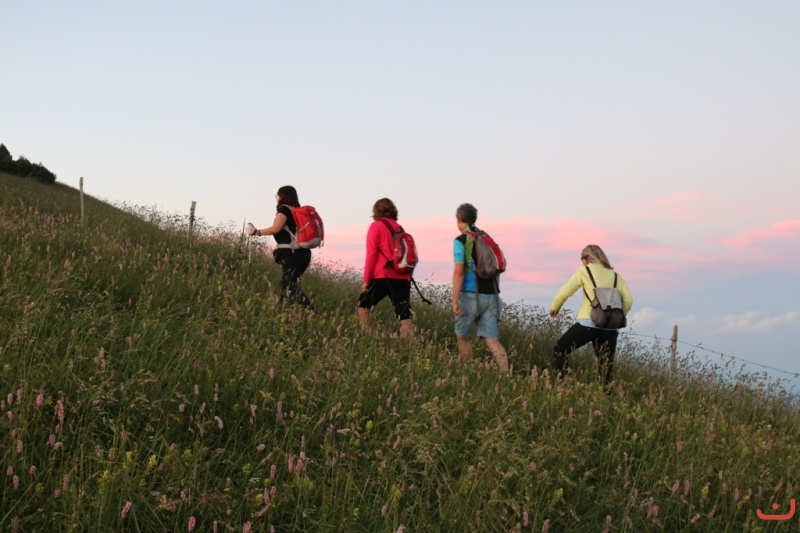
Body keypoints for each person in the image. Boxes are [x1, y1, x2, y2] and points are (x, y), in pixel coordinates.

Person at [548, 244, 633, 386]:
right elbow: (628, 300)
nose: (582, 261)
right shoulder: (616, 276)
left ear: (588, 257)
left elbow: (565, 291)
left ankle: (561, 386)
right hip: (610, 328)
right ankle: (607, 396)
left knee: (560, 349)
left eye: (583, 258)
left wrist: (555, 308)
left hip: (588, 323)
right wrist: (615, 315)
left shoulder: (584, 271)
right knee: (605, 368)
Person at [451, 203, 509, 374]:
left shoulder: (461, 240)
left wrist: (454, 300)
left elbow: (459, 272)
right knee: (492, 340)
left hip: (470, 295)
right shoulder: (487, 239)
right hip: (492, 296)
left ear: (459, 219)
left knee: (463, 337)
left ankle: (467, 373)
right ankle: (507, 377)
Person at [247, 185, 313, 309]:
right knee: (287, 285)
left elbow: (276, 228)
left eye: (277, 195)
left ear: (282, 196)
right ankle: (284, 310)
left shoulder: (284, 210)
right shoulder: (298, 211)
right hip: (304, 254)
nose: (276, 198)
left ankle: (309, 309)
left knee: (289, 285)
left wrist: (257, 232)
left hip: (292, 253)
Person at [356, 198, 414, 338]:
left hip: (382, 276)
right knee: (404, 315)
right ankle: (411, 346)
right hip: (402, 277)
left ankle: (368, 338)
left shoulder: (376, 226)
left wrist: (366, 281)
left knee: (363, 306)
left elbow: (371, 254)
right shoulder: (400, 228)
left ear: (376, 211)